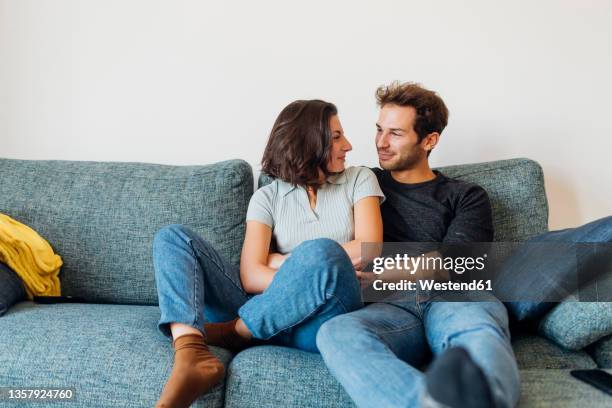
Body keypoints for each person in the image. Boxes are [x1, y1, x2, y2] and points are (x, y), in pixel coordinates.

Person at [316, 81, 612, 408]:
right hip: (391, 309)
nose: (381, 143)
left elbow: (455, 264)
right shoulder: (361, 184)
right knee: (335, 333)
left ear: (430, 140)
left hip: (455, 296)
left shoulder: (465, 195)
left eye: (395, 134)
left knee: (476, 332)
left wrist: (378, 276)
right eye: (379, 130)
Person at [152, 99, 385, 408]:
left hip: (322, 317)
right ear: (310, 141)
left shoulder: (360, 179)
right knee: (172, 237)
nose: (349, 145)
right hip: (265, 304)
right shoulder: (267, 197)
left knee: (323, 252)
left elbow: (369, 249)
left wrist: (286, 260)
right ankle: (190, 351)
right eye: (337, 136)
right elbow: (250, 276)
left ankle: (237, 331)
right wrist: (306, 268)